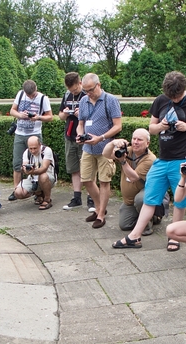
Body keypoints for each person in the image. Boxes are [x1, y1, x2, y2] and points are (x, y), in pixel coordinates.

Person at [111, 71, 186, 250]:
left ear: (184, 89)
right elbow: (152, 128)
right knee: (150, 197)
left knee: (180, 200)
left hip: (182, 159)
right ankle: (135, 236)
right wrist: (161, 126)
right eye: (171, 96)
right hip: (162, 160)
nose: (175, 99)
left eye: (177, 96)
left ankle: (174, 236)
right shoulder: (160, 100)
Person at [76, 73, 122, 228]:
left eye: (90, 90)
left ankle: (101, 215)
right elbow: (80, 123)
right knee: (86, 179)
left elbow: (118, 126)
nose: (88, 93)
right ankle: (98, 208)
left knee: (104, 181)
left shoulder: (110, 100)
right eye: (85, 90)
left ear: (99, 85)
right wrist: (79, 133)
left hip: (106, 148)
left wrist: (101, 137)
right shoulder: (83, 101)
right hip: (88, 147)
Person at [102, 129, 158, 234]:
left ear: (147, 143)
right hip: (130, 200)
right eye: (134, 139)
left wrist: (123, 162)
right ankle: (145, 216)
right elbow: (105, 154)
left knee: (140, 199)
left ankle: (148, 222)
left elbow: (134, 177)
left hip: (145, 195)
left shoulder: (150, 159)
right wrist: (113, 143)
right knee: (124, 225)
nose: (136, 142)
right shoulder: (128, 151)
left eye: (140, 140)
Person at [8, 80, 53, 200]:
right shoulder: (20, 94)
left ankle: (39, 190)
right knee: (17, 164)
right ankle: (16, 188)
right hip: (19, 133)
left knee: (37, 162)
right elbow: (12, 110)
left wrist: (38, 117)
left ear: (36, 89)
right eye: (29, 95)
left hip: (34, 134)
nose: (31, 97)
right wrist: (20, 115)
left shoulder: (43, 98)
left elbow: (50, 116)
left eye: (32, 94)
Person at [58, 72, 88, 210]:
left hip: (85, 137)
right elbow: (60, 116)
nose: (73, 92)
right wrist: (65, 113)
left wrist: (81, 113)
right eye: (71, 90)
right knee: (73, 168)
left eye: (75, 89)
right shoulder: (66, 95)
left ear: (80, 83)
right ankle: (77, 197)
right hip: (70, 135)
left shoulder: (87, 95)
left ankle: (91, 198)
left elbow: (94, 115)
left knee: (87, 168)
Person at [12, 136, 56, 210]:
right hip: (32, 179)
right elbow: (24, 165)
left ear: (40, 145)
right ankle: (38, 193)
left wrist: (33, 171)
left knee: (43, 176)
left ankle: (47, 199)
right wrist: (25, 170)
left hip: (48, 177)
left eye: (35, 148)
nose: (32, 151)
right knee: (18, 193)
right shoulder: (26, 152)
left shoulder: (46, 150)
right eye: (30, 148)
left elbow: (44, 168)